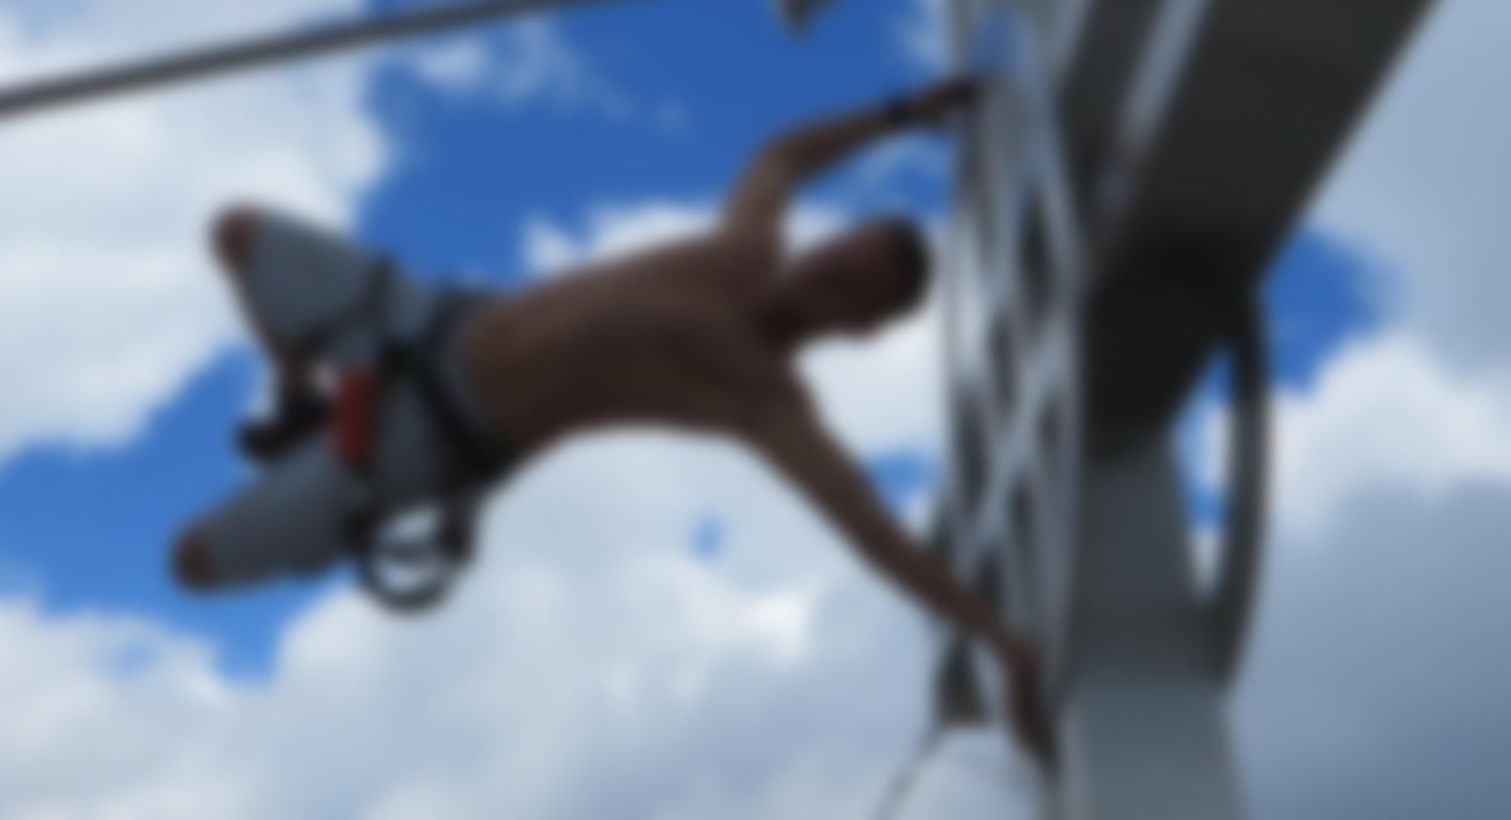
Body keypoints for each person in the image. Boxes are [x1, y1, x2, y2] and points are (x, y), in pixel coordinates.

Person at [173, 76, 1049, 762]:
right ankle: (303, 396)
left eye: (849, 283)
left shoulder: (764, 400)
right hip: (421, 322)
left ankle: (323, 434)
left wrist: (1003, 644)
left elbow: (872, 531)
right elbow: (781, 155)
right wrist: (900, 114)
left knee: (193, 563)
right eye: (837, 250)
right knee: (235, 232)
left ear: (859, 328)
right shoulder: (747, 246)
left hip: (429, 444)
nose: (823, 268)